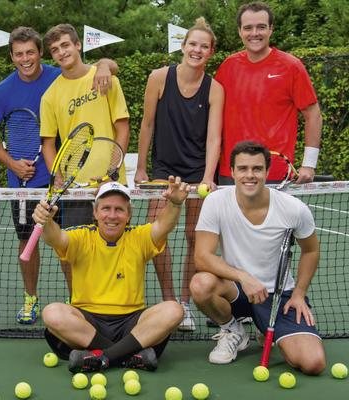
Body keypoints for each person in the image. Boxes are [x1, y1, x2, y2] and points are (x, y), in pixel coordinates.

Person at [0, 26, 116, 324]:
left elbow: (98, 69)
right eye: (18, 54)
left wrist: (104, 63)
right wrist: (12, 163)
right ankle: (30, 299)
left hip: (65, 179)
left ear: (41, 52)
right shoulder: (3, 91)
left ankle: (74, 299)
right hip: (24, 184)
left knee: (70, 241)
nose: (25, 59)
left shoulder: (59, 76)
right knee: (27, 240)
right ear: (11, 57)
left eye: (30, 52)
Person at [191, 141, 325, 375]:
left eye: (257, 169)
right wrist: (244, 277)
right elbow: (202, 257)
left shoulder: (293, 209)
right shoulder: (215, 202)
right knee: (201, 284)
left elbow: (311, 250)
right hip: (238, 290)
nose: (249, 175)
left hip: (279, 296)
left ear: (267, 170)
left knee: (313, 363)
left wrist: (300, 293)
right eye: (242, 168)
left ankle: (269, 330)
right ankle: (233, 330)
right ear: (232, 172)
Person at [35, 179, 187, 373]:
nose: (112, 216)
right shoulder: (81, 237)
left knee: (174, 310)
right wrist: (46, 221)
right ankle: (130, 356)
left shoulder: (139, 237)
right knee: (52, 313)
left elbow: (164, 225)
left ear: (129, 215)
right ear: (95, 213)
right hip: (88, 322)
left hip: (132, 322)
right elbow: (55, 237)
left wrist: (174, 203)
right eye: (106, 208)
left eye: (119, 209)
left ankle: (103, 358)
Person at [134, 17, 224, 332]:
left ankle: (185, 305)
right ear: (183, 46)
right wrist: (141, 166)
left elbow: (214, 137)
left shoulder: (215, 89)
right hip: (163, 171)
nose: (197, 50)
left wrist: (208, 177)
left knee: (193, 238)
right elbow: (147, 124)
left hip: (197, 172)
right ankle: (169, 300)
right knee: (156, 234)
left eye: (204, 46)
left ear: (210, 52)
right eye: (192, 44)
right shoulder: (158, 77)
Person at [39, 23, 130, 300]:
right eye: (55, 50)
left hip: (112, 184)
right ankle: (78, 302)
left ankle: (119, 306)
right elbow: (48, 143)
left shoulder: (106, 79)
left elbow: (123, 127)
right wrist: (57, 173)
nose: (61, 52)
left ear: (78, 45)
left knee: (119, 252)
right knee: (74, 251)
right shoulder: (50, 96)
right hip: (75, 187)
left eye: (65, 45)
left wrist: (114, 167)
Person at [215, 1, 322, 185]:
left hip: (274, 174)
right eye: (248, 28)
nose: (254, 33)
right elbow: (212, 117)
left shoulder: (292, 67)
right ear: (240, 31)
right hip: (231, 173)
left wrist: (309, 164)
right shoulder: (227, 67)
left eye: (261, 27)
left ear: (271, 29)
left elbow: (314, 115)